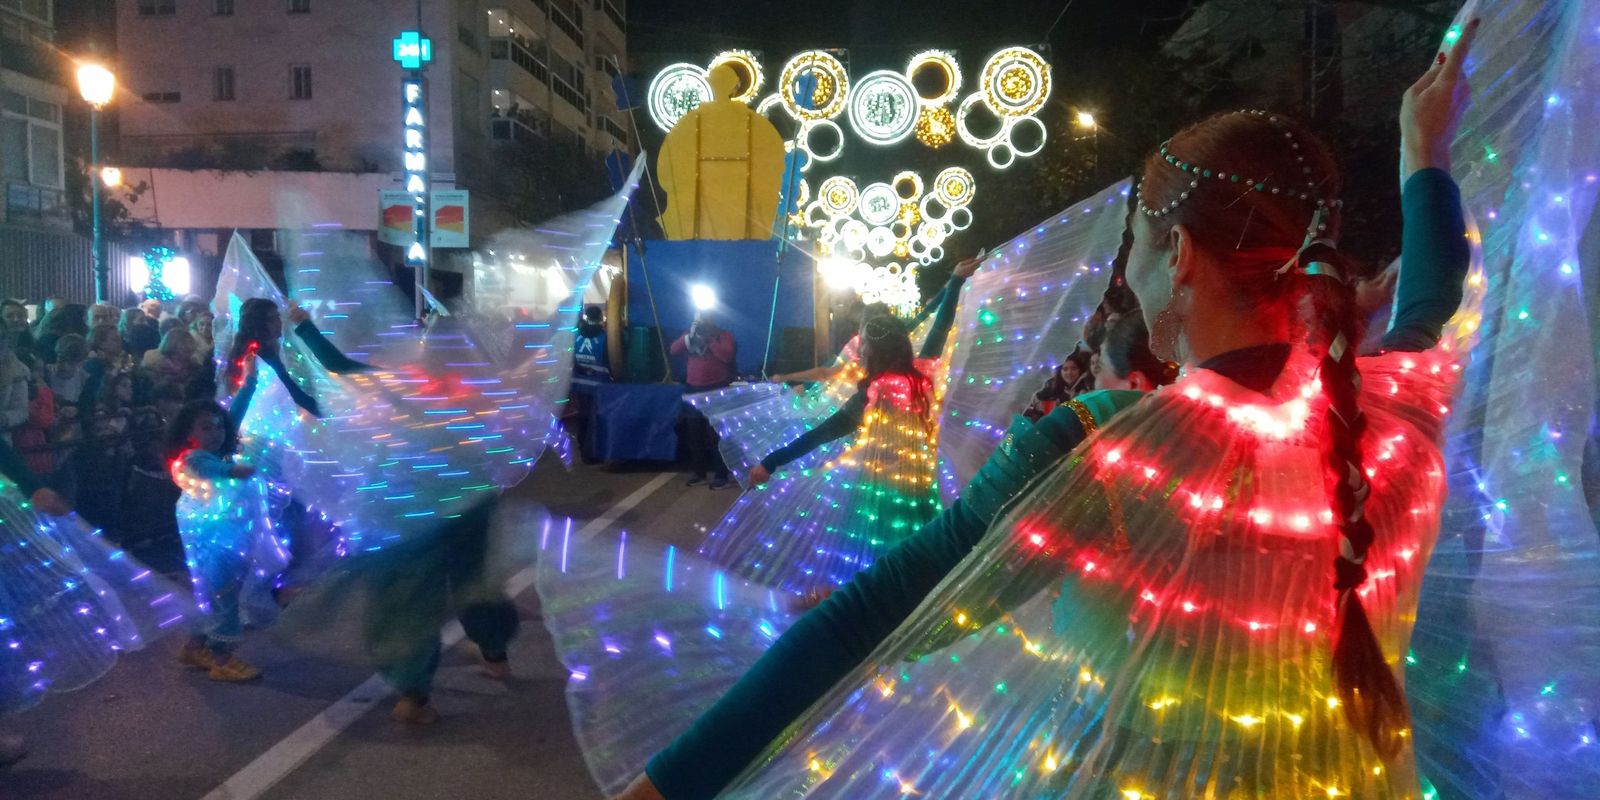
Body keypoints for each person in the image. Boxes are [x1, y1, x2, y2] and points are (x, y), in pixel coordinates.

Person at [609, 18, 1478, 800]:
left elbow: (881, 613)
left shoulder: (1108, 442)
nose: (1126, 274)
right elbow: (1424, 309)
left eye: (1134, 243)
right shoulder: (1392, 415)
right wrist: (1422, 158)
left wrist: (663, 788)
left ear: (1176, 255)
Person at [166, 399, 285, 682]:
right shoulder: (193, 458)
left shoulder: (212, 454)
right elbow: (209, 469)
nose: (216, 432)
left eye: (219, 427)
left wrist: (250, 382)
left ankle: (195, 647)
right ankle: (222, 659)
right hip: (216, 540)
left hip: (222, 537)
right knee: (223, 593)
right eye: (206, 427)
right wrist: (234, 471)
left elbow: (233, 414)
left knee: (211, 593)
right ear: (189, 433)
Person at [671, 311, 736, 489]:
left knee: (717, 435)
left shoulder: (723, 336)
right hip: (693, 390)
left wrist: (710, 340)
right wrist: (691, 336)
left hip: (717, 390)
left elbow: (727, 355)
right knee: (694, 434)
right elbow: (674, 350)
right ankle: (699, 472)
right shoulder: (690, 335)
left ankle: (720, 475)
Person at [1023, 350, 1093, 421]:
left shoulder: (1085, 389)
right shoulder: (1055, 388)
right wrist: (1040, 406)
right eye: (1065, 369)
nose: (1069, 373)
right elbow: (1036, 399)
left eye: (1073, 368)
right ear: (1060, 372)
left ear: (1080, 370)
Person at [574, 304, 611, 381]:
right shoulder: (605, 337)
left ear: (587, 317)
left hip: (577, 384)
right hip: (599, 385)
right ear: (601, 317)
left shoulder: (575, 335)